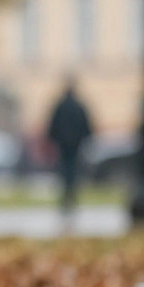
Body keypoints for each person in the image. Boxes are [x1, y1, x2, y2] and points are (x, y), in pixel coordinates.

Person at [46, 79, 93, 214]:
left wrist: (53, 138)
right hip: (75, 143)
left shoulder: (60, 106)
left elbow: (53, 125)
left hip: (63, 143)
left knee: (65, 169)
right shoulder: (79, 106)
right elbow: (86, 125)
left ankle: (66, 196)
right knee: (73, 170)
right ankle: (71, 196)